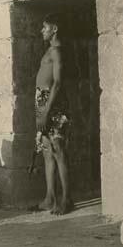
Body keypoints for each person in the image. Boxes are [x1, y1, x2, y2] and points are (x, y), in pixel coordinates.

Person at [31, 13, 73, 215]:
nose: (42, 30)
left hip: (52, 104)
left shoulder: (57, 51)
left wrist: (47, 109)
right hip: (43, 101)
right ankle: (49, 197)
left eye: (45, 27)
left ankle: (67, 199)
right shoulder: (49, 50)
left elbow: (57, 82)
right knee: (47, 150)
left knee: (58, 149)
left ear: (54, 29)